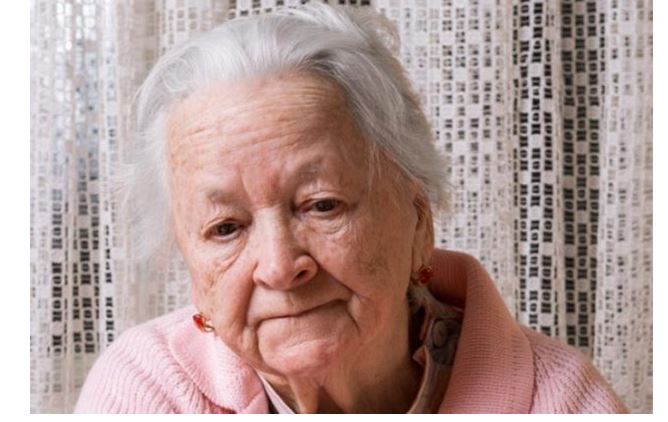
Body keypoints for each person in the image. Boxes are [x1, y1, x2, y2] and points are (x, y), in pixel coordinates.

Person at [74, 2, 627, 414]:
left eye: (321, 205)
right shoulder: (147, 390)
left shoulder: (558, 400)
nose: (279, 267)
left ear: (418, 220)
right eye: (225, 228)